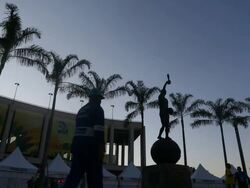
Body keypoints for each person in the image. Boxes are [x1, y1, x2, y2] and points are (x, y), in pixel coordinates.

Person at [63, 88, 105, 188]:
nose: (100, 101)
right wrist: (101, 149)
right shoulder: (98, 109)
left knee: (73, 178)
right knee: (95, 181)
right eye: (99, 98)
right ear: (95, 98)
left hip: (77, 148)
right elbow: (98, 131)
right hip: (91, 150)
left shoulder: (81, 110)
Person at [157, 74, 173, 139]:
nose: (164, 92)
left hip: (166, 113)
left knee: (167, 126)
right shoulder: (160, 97)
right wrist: (166, 83)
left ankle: (166, 136)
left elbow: (167, 107)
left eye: (165, 92)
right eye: (163, 91)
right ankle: (159, 136)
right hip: (162, 113)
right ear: (162, 92)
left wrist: (169, 110)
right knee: (163, 125)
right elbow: (164, 88)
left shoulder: (166, 99)